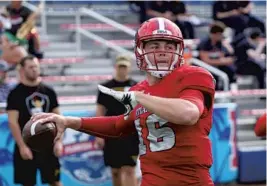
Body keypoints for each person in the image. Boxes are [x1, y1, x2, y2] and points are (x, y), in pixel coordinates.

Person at [31, 17, 215, 186]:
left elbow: (188, 114)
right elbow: (118, 125)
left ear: (178, 50)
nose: (162, 52)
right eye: (155, 45)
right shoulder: (138, 90)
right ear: (140, 50)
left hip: (192, 181)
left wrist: (141, 98)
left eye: (169, 46)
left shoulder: (193, 76)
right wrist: (68, 121)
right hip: (153, 179)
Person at [6, 55, 63, 186]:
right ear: (22, 70)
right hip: (27, 142)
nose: (34, 69)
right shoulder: (15, 93)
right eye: (30, 67)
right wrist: (22, 146)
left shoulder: (49, 91)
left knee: (55, 181)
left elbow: (59, 119)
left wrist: (59, 142)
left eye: (36, 66)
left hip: (48, 144)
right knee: (27, 183)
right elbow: (12, 122)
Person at [95, 54, 139, 186]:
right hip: (111, 132)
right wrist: (98, 135)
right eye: (120, 66)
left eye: (125, 67)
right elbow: (99, 111)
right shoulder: (105, 87)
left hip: (131, 133)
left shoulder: (136, 86)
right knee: (115, 170)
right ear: (115, 67)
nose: (122, 69)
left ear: (129, 68)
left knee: (129, 169)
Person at [197, 21, 236, 90]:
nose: (222, 36)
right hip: (205, 66)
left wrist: (226, 44)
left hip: (216, 64)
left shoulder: (220, 43)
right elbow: (205, 61)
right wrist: (222, 61)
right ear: (214, 34)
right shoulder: (205, 44)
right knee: (215, 75)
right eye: (220, 34)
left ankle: (229, 92)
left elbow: (227, 54)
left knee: (230, 70)